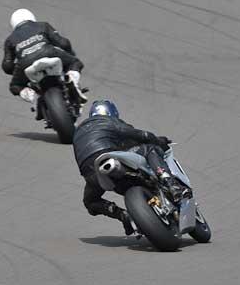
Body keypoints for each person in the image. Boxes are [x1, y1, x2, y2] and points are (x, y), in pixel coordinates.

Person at [72, 100, 178, 235]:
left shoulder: (78, 132)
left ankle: (123, 215)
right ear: (112, 113)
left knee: (90, 201)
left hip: (90, 172)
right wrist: (159, 141)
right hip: (109, 155)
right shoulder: (108, 121)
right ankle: (170, 182)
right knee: (150, 149)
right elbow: (141, 136)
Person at [1, 8, 87, 110]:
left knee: (15, 86)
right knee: (75, 63)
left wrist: (17, 71)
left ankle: (31, 95)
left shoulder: (10, 40)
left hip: (25, 63)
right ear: (31, 17)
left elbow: (7, 66)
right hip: (48, 53)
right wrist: (69, 53)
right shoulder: (42, 25)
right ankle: (72, 79)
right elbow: (64, 43)